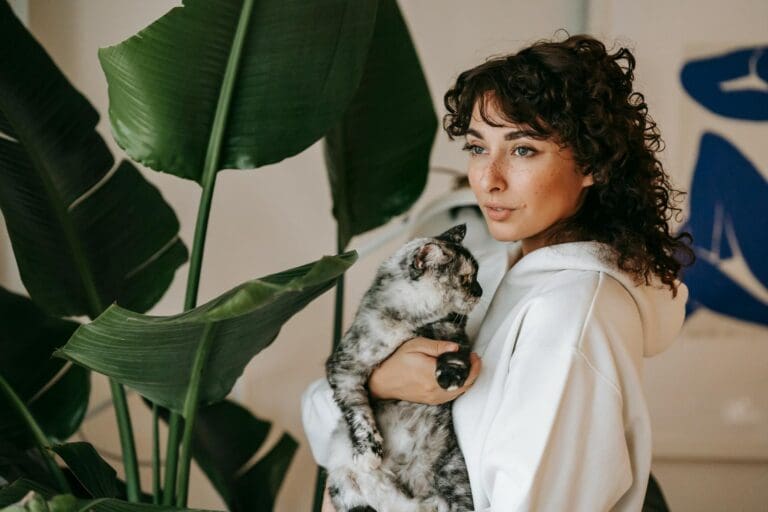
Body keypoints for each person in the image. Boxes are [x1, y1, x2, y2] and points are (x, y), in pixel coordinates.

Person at [302, 34, 694, 511]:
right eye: (476, 147)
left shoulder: (570, 312)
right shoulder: (486, 273)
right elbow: (321, 416)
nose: (489, 179)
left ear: (591, 163)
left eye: (523, 149)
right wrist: (378, 381)